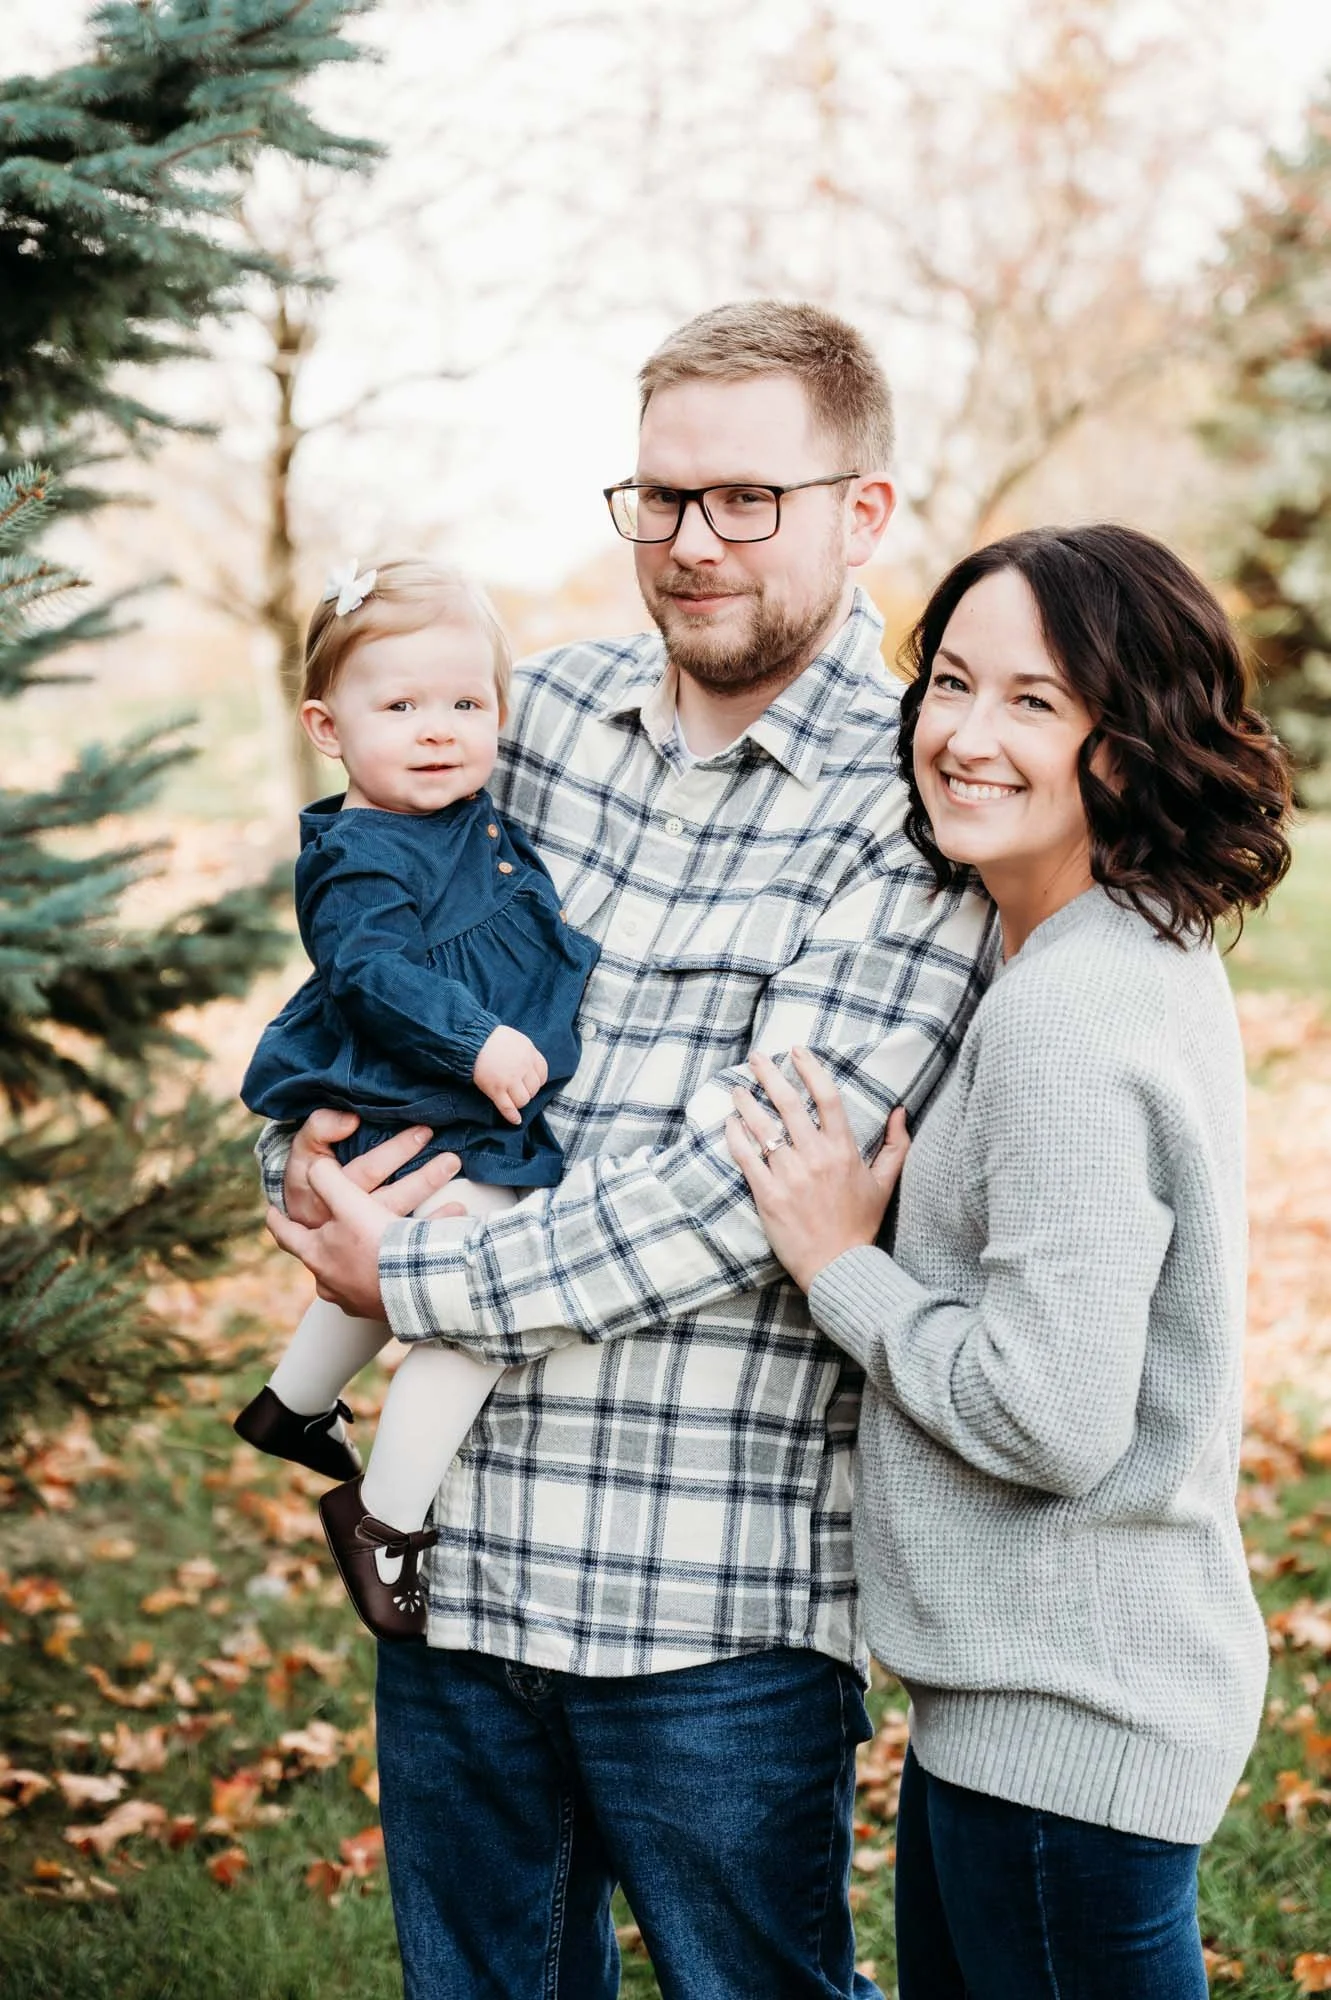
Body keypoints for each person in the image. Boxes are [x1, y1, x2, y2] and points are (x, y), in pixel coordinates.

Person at [261, 302, 995, 2000]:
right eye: (659, 497)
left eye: (745, 499)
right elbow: (367, 973)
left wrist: (407, 1272)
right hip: (450, 1564)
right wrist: (311, 1174)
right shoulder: (534, 718)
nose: (690, 541)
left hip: (702, 1591)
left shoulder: (918, 796)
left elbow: (741, 1197)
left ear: (861, 512)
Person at [725, 523, 1293, 1999]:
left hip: (1068, 1728)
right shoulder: (1118, 944)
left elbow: (1049, 1415)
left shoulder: (1066, 1012)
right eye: (950, 683)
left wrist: (839, 1263)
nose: (964, 737)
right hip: (1045, 1708)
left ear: (1130, 737)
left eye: (1032, 701)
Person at [234, 558, 598, 1640]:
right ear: (327, 726)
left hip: (433, 1099)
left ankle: (294, 1404)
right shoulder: (360, 854)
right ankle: (383, 1519)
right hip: (409, 1091)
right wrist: (475, 1039)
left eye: (466, 705)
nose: (437, 730)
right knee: (475, 1294)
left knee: (393, 1262)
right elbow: (368, 971)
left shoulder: (455, 811)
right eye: (398, 707)